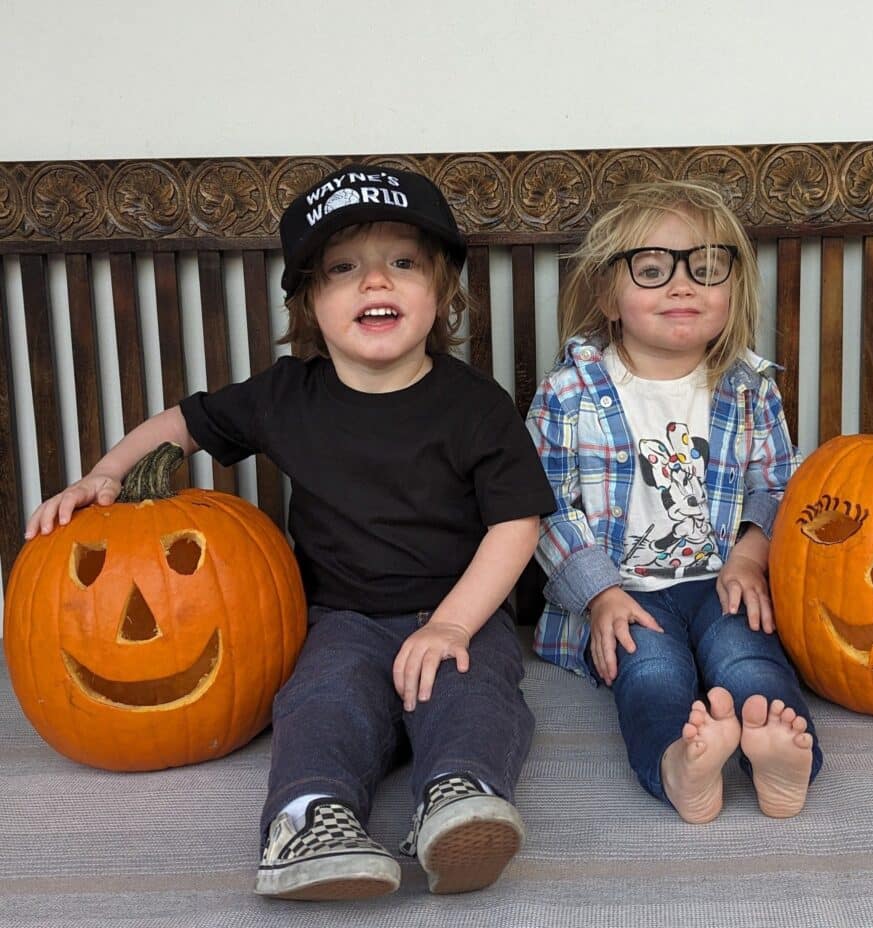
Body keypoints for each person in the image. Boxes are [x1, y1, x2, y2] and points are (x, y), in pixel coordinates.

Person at [25, 164, 555, 900]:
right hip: (340, 617)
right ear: (310, 300)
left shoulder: (475, 406)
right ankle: (311, 820)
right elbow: (181, 427)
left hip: (458, 609)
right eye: (344, 269)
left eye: (403, 263)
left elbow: (516, 522)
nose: (376, 283)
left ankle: (458, 800)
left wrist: (454, 626)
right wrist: (104, 476)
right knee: (322, 699)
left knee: (477, 697)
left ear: (440, 295)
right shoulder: (285, 395)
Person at [526, 179, 823, 825]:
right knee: (652, 674)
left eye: (706, 268)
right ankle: (676, 765)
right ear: (608, 293)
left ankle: (782, 756)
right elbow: (545, 506)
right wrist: (600, 594)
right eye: (652, 269)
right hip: (624, 592)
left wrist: (750, 557)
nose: (682, 286)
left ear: (732, 289)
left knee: (750, 658)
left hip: (723, 584)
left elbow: (776, 484)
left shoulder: (748, 387)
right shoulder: (569, 393)